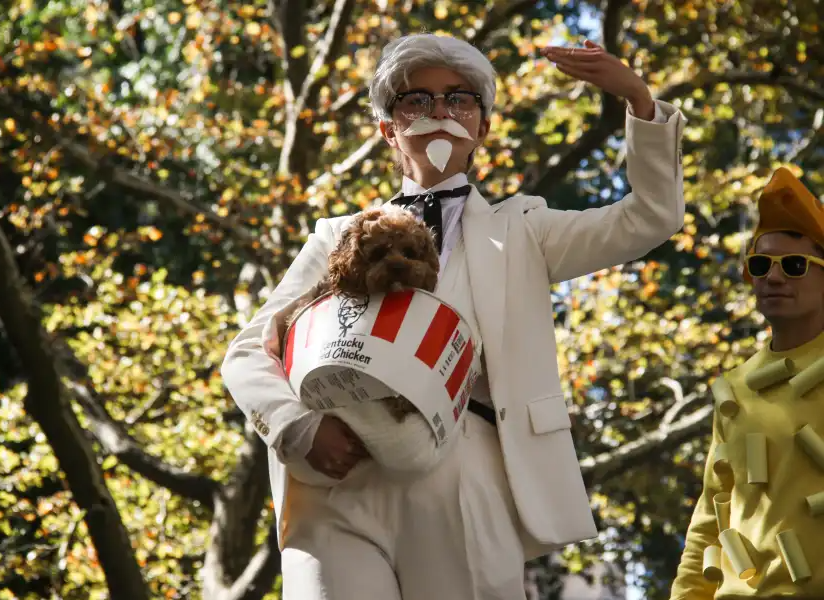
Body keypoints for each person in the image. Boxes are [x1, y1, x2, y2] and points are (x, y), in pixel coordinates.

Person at [222, 33, 685, 600]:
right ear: (387, 129)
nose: (439, 112)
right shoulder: (337, 236)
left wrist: (637, 99)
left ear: (483, 127)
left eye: (459, 99)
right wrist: (299, 428)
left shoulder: (526, 229)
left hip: (465, 468)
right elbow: (249, 351)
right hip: (337, 480)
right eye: (416, 100)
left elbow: (650, 217)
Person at [670, 168, 824, 599]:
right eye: (761, 264)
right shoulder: (735, 389)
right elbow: (710, 520)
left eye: (794, 265)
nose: (773, 278)